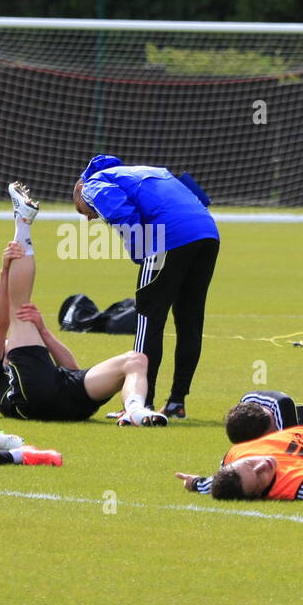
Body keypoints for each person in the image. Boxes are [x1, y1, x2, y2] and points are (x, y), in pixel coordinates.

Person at [0, 182, 167, 426]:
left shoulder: (36, 360)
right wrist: (4, 271)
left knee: (136, 360)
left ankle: (134, 410)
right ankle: (22, 222)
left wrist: (44, 331)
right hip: (34, 401)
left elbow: (72, 368)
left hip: (73, 402)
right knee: (20, 310)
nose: (8, 342)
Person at [73, 155, 220, 418]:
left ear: (79, 189)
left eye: (84, 212)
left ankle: (141, 404)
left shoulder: (94, 184)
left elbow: (122, 214)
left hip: (168, 237)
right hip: (207, 233)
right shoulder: (152, 171)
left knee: (148, 322)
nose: (90, 218)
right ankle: (177, 403)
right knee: (189, 321)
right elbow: (198, 197)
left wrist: (141, 254)